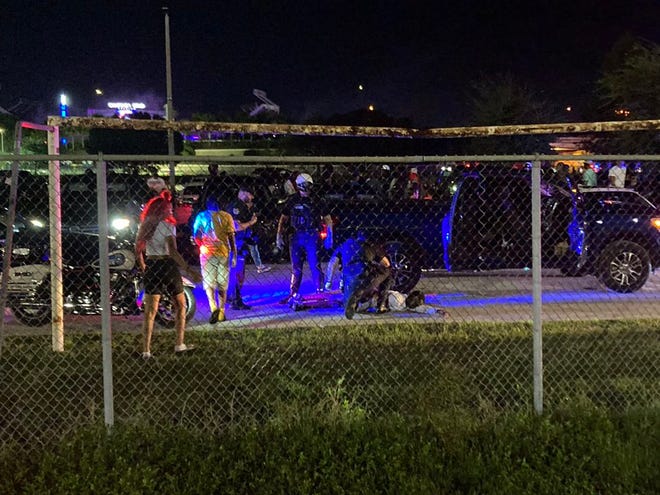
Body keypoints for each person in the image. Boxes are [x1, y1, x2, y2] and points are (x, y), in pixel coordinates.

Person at [135, 190, 202, 359]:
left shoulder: (144, 225)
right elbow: (172, 251)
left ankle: (146, 351)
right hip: (167, 265)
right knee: (180, 305)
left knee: (150, 311)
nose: (171, 211)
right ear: (162, 210)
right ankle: (179, 344)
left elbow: (138, 249)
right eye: (169, 209)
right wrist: (188, 269)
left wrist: (144, 265)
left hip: (152, 264)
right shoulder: (168, 226)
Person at [276, 173, 333, 303]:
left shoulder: (317, 200)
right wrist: (278, 236)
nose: (306, 190)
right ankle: (293, 293)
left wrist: (330, 236)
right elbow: (283, 219)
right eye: (304, 186)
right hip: (296, 235)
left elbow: (328, 219)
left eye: (308, 186)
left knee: (314, 265)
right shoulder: (292, 200)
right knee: (296, 266)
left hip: (311, 234)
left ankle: (320, 292)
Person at [193, 196, 237, 324]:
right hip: (223, 253)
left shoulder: (201, 216)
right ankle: (222, 312)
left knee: (209, 282)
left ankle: (213, 308)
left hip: (207, 253)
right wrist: (234, 254)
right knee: (222, 283)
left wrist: (201, 244)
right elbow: (231, 237)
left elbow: (196, 235)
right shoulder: (226, 216)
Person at [342, 234, 392, 320]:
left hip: (347, 279)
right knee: (388, 271)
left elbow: (332, 263)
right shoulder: (372, 246)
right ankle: (381, 305)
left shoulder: (346, 246)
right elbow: (387, 264)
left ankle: (353, 303)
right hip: (364, 278)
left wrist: (329, 282)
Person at [225, 185, 259, 310]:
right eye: (250, 195)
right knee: (237, 273)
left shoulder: (243, 206)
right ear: (243, 193)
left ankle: (233, 297)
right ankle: (235, 300)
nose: (251, 198)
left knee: (238, 273)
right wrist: (251, 222)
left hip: (240, 243)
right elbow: (235, 226)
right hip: (235, 244)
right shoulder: (236, 206)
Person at [244, 196, 271, 274]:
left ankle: (259, 266)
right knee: (252, 248)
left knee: (254, 248)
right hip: (245, 231)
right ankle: (259, 266)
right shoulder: (244, 210)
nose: (251, 204)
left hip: (249, 231)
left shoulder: (252, 210)